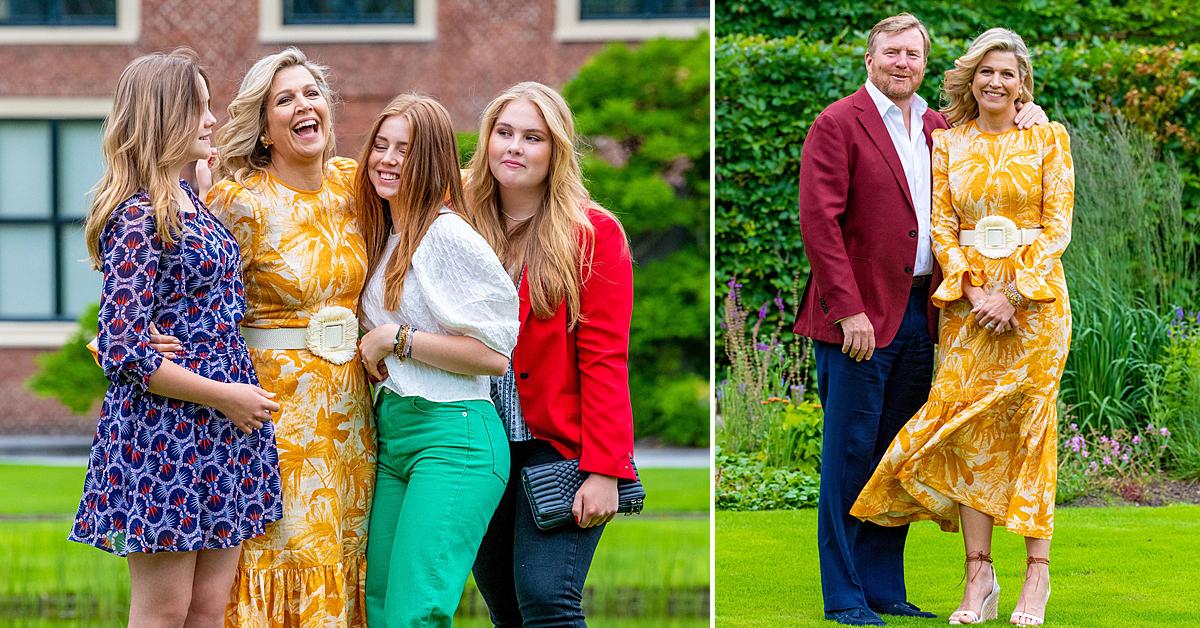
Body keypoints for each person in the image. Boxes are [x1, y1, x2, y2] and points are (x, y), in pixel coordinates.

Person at [792, 14, 1047, 627]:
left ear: (925, 65)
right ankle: (844, 597)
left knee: (895, 457)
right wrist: (848, 309)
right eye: (892, 53)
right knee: (849, 455)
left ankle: (884, 590)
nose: (903, 62)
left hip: (918, 314)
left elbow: (994, 134)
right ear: (870, 59)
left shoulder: (937, 127)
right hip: (858, 318)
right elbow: (819, 225)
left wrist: (1031, 116)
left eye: (913, 54)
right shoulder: (837, 124)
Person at [851, 28, 1072, 627]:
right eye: (985, 72)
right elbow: (941, 229)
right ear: (970, 79)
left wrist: (1012, 293)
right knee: (968, 434)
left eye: (1008, 73)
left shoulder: (1049, 138)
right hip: (967, 309)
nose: (995, 82)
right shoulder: (949, 142)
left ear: (1024, 83)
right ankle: (978, 577)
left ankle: (1036, 578)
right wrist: (977, 293)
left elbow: (1057, 230)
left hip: (1034, 310)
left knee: (1030, 435)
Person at [68, 49, 282, 626]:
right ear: (164, 116)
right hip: (167, 433)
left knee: (210, 608)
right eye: (199, 107)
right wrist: (226, 395)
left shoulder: (191, 200)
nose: (212, 119)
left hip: (222, 431)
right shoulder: (137, 216)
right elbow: (120, 348)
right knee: (165, 611)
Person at [185, 48, 375, 625]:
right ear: (264, 126)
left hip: (352, 413)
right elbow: (184, 283)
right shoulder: (237, 200)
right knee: (286, 553)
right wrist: (151, 338)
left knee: (345, 551)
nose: (302, 105)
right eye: (283, 99)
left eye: (310, 93)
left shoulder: (356, 185)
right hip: (274, 417)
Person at [466, 81, 637, 627]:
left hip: (560, 446)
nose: (514, 147)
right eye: (504, 132)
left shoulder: (594, 234)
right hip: (478, 444)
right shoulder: (457, 223)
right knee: (506, 610)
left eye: (532, 137)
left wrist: (605, 470)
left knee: (546, 600)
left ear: (556, 150)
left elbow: (605, 357)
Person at [354, 93, 519, 626]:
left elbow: (494, 355)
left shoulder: (446, 236)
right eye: (381, 145)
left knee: (414, 613)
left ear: (432, 161)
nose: (388, 159)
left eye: (405, 149)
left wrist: (393, 339)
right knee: (378, 604)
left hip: (455, 438)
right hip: (396, 433)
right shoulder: (387, 233)